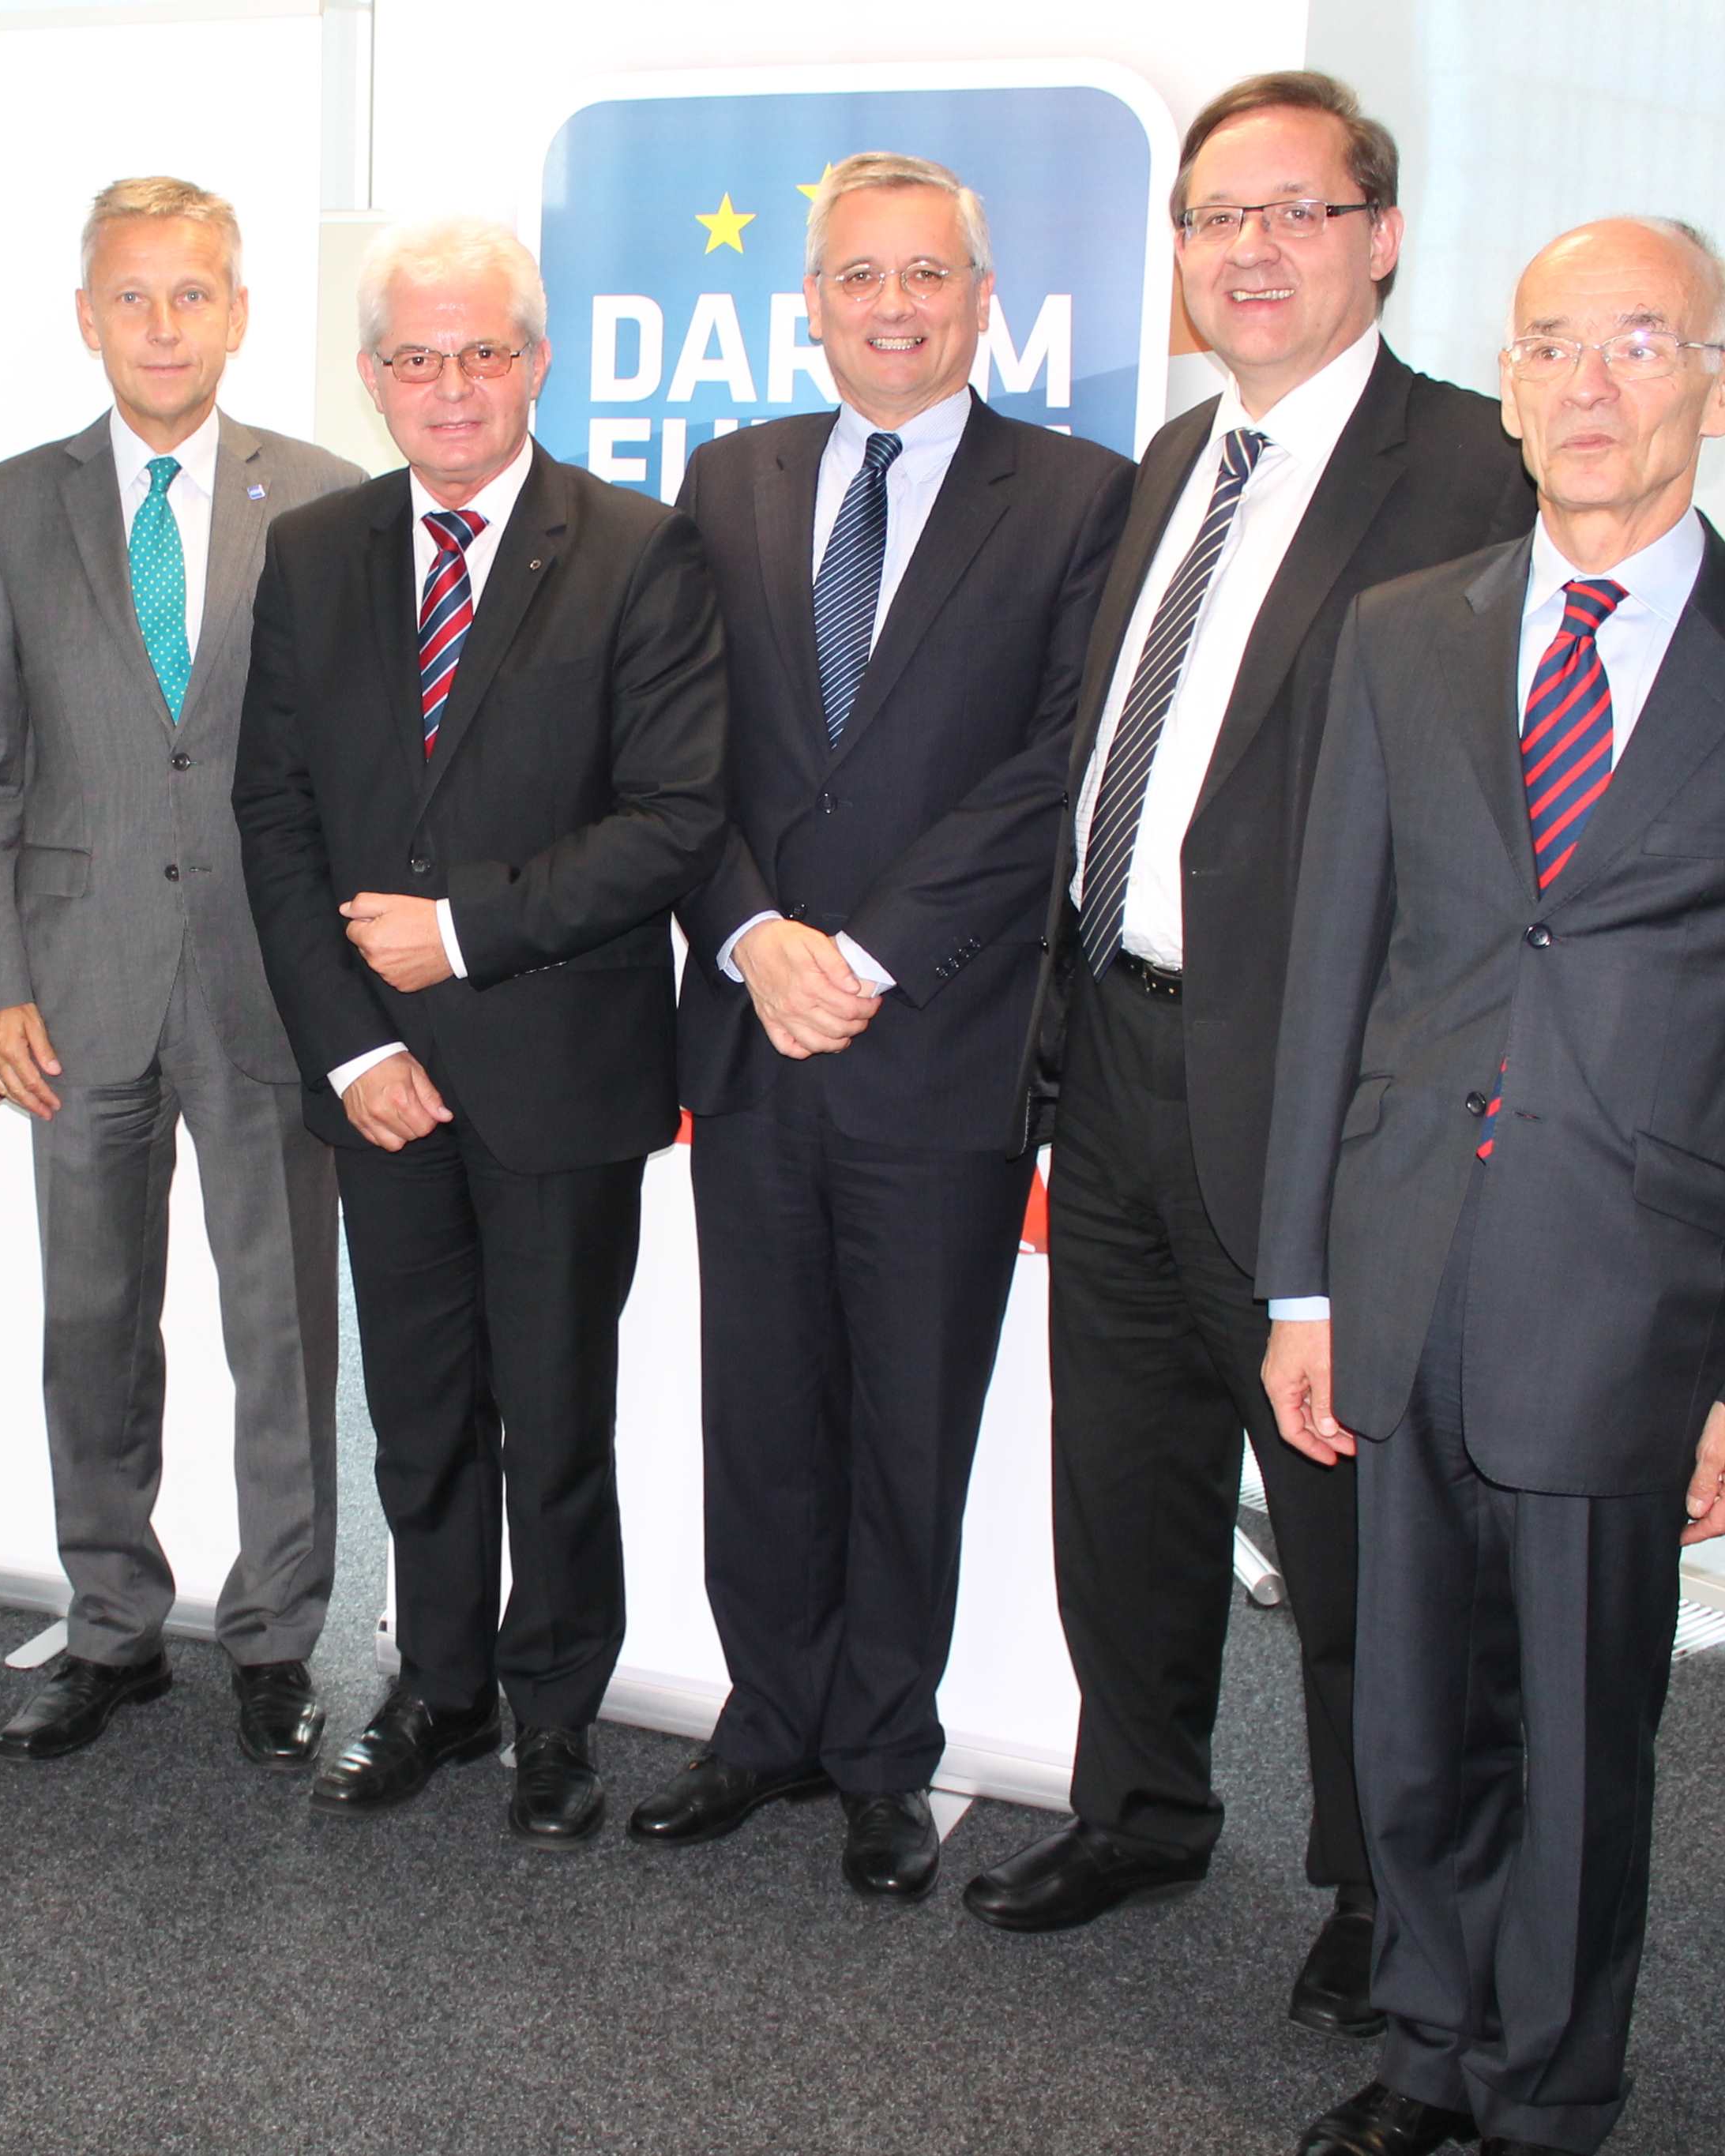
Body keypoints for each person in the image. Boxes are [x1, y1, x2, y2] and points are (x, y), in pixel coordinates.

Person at [1258, 219, 1725, 2156]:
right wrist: (1301, 1280)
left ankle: (1553, 2090)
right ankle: (1433, 2049)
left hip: (1635, 1309)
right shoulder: (1406, 635)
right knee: (1409, 1716)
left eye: (1640, 343)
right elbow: (1335, 976)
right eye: (1550, 344)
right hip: (1401, 1274)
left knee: (1577, 1734)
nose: (1587, 385)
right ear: (1509, 377)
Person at [968, 74, 1535, 2035]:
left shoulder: (1478, 471)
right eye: (1216, 218)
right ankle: (1141, 1807)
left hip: (1326, 1106)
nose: (1249, 251)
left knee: (1355, 1524)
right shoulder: (1171, 465)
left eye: (1295, 212)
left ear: (1380, 236)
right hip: (1119, 1057)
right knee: (1121, 1483)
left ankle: (1394, 1886)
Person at [648, 152, 1129, 1901]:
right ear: (813, 301)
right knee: (760, 1403)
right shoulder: (731, 477)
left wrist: (870, 949)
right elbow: (676, 747)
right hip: (757, 1026)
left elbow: (1056, 766)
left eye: (928, 276)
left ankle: (879, 1751)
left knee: (910, 1418)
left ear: (982, 300)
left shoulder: (1081, 497)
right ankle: (762, 1721)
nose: (895, 306)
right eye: (860, 277)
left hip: (937, 1039)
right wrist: (760, 934)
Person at [232, 213, 727, 1842]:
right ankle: (436, 1690)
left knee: (555, 1416)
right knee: (423, 1411)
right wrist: (352, 1046)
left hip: (558, 1074)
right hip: (379, 1081)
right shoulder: (314, 553)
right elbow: (279, 817)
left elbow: (670, 819)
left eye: (486, 353)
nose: (454, 389)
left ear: (540, 359)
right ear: (374, 376)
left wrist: (461, 932)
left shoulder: (640, 548)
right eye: (419, 359)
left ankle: (553, 1714)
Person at [0, 177, 361, 1767]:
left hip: (267, 984)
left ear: (240, 315)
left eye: (195, 294)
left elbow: (357, 770)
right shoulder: (5, 508)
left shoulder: (324, 499)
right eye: (135, 296)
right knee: (94, 1322)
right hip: (72, 989)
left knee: (281, 1331)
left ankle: (275, 1636)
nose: (165, 324)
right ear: (87, 316)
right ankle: (112, 1623)